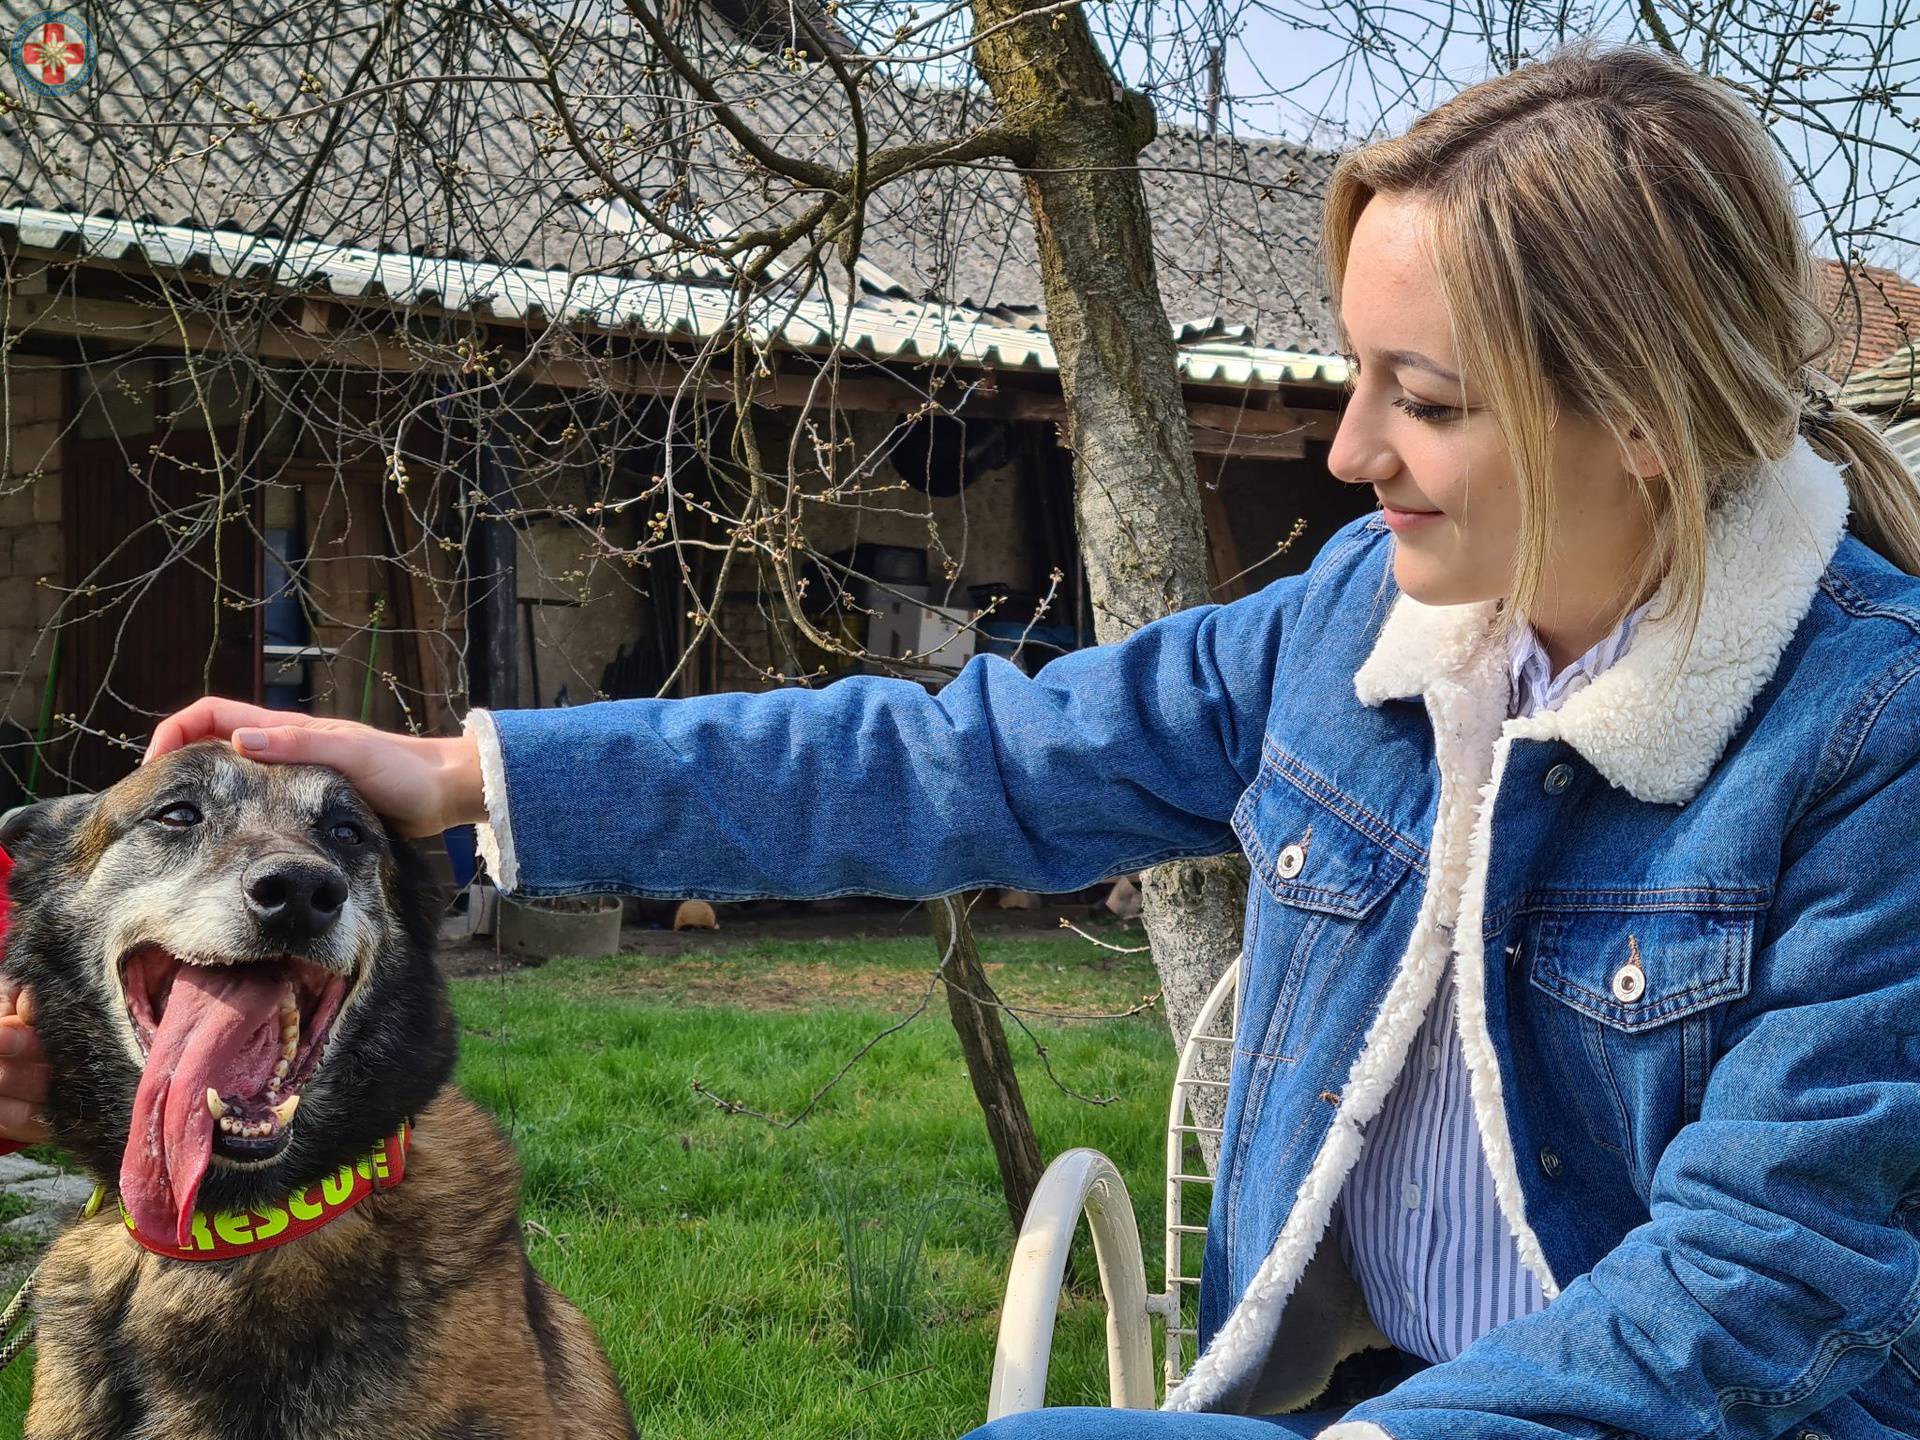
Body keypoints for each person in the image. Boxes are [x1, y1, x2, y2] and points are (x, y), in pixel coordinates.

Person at [8, 36, 1920, 1440]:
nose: (1345, 454)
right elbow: (955, 761)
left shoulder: (1871, 742)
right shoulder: (1368, 619)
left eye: (1419, 400)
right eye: (1351, 379)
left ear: (1644, 421)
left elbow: (1765, 1292)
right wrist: (474, 782)